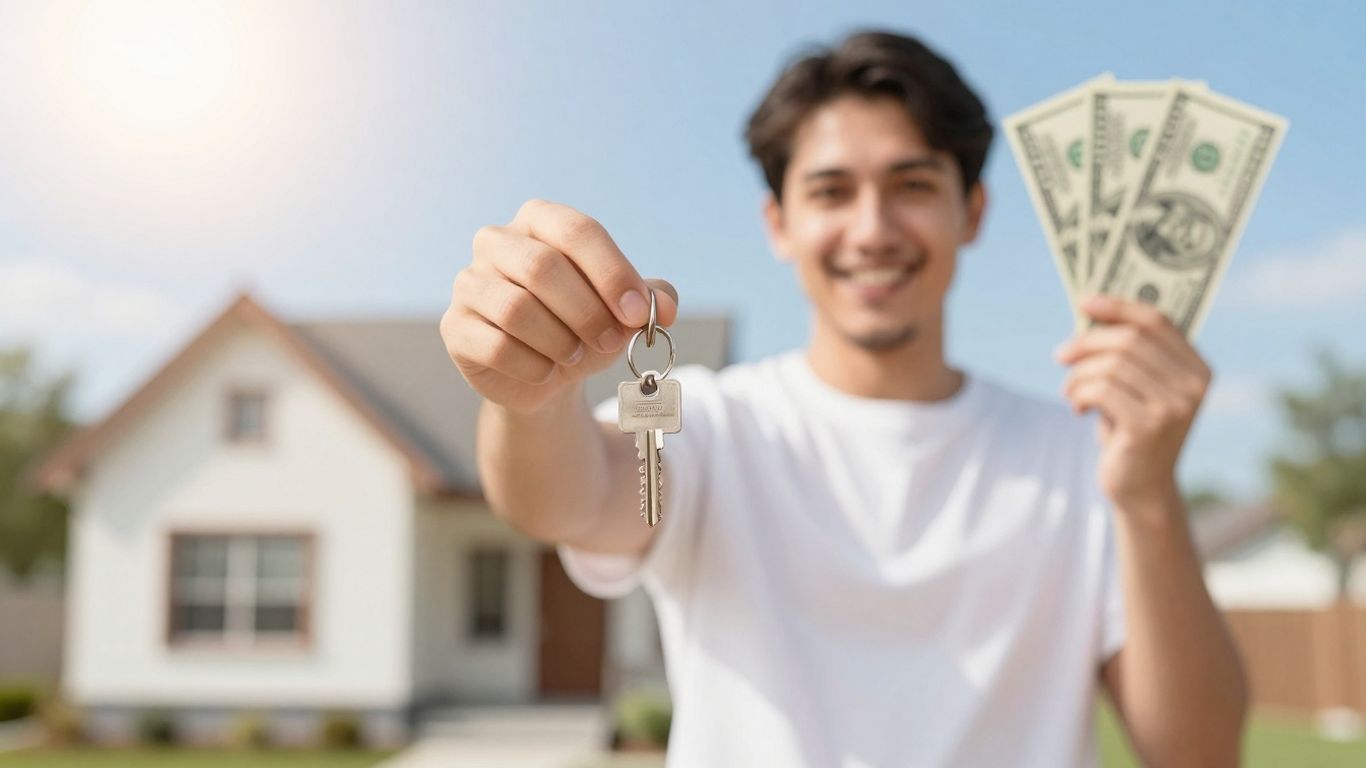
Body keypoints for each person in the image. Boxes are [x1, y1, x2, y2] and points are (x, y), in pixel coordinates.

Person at [440, 29, 1247, 767]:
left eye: (912, 184)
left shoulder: (1084, 456)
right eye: (831, 191)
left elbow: (1200, 754)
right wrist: (530, 397)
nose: (872, 229)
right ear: (779, 223)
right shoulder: (716, 426)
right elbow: (564, 501)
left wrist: (1146, 498)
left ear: (972, 211)